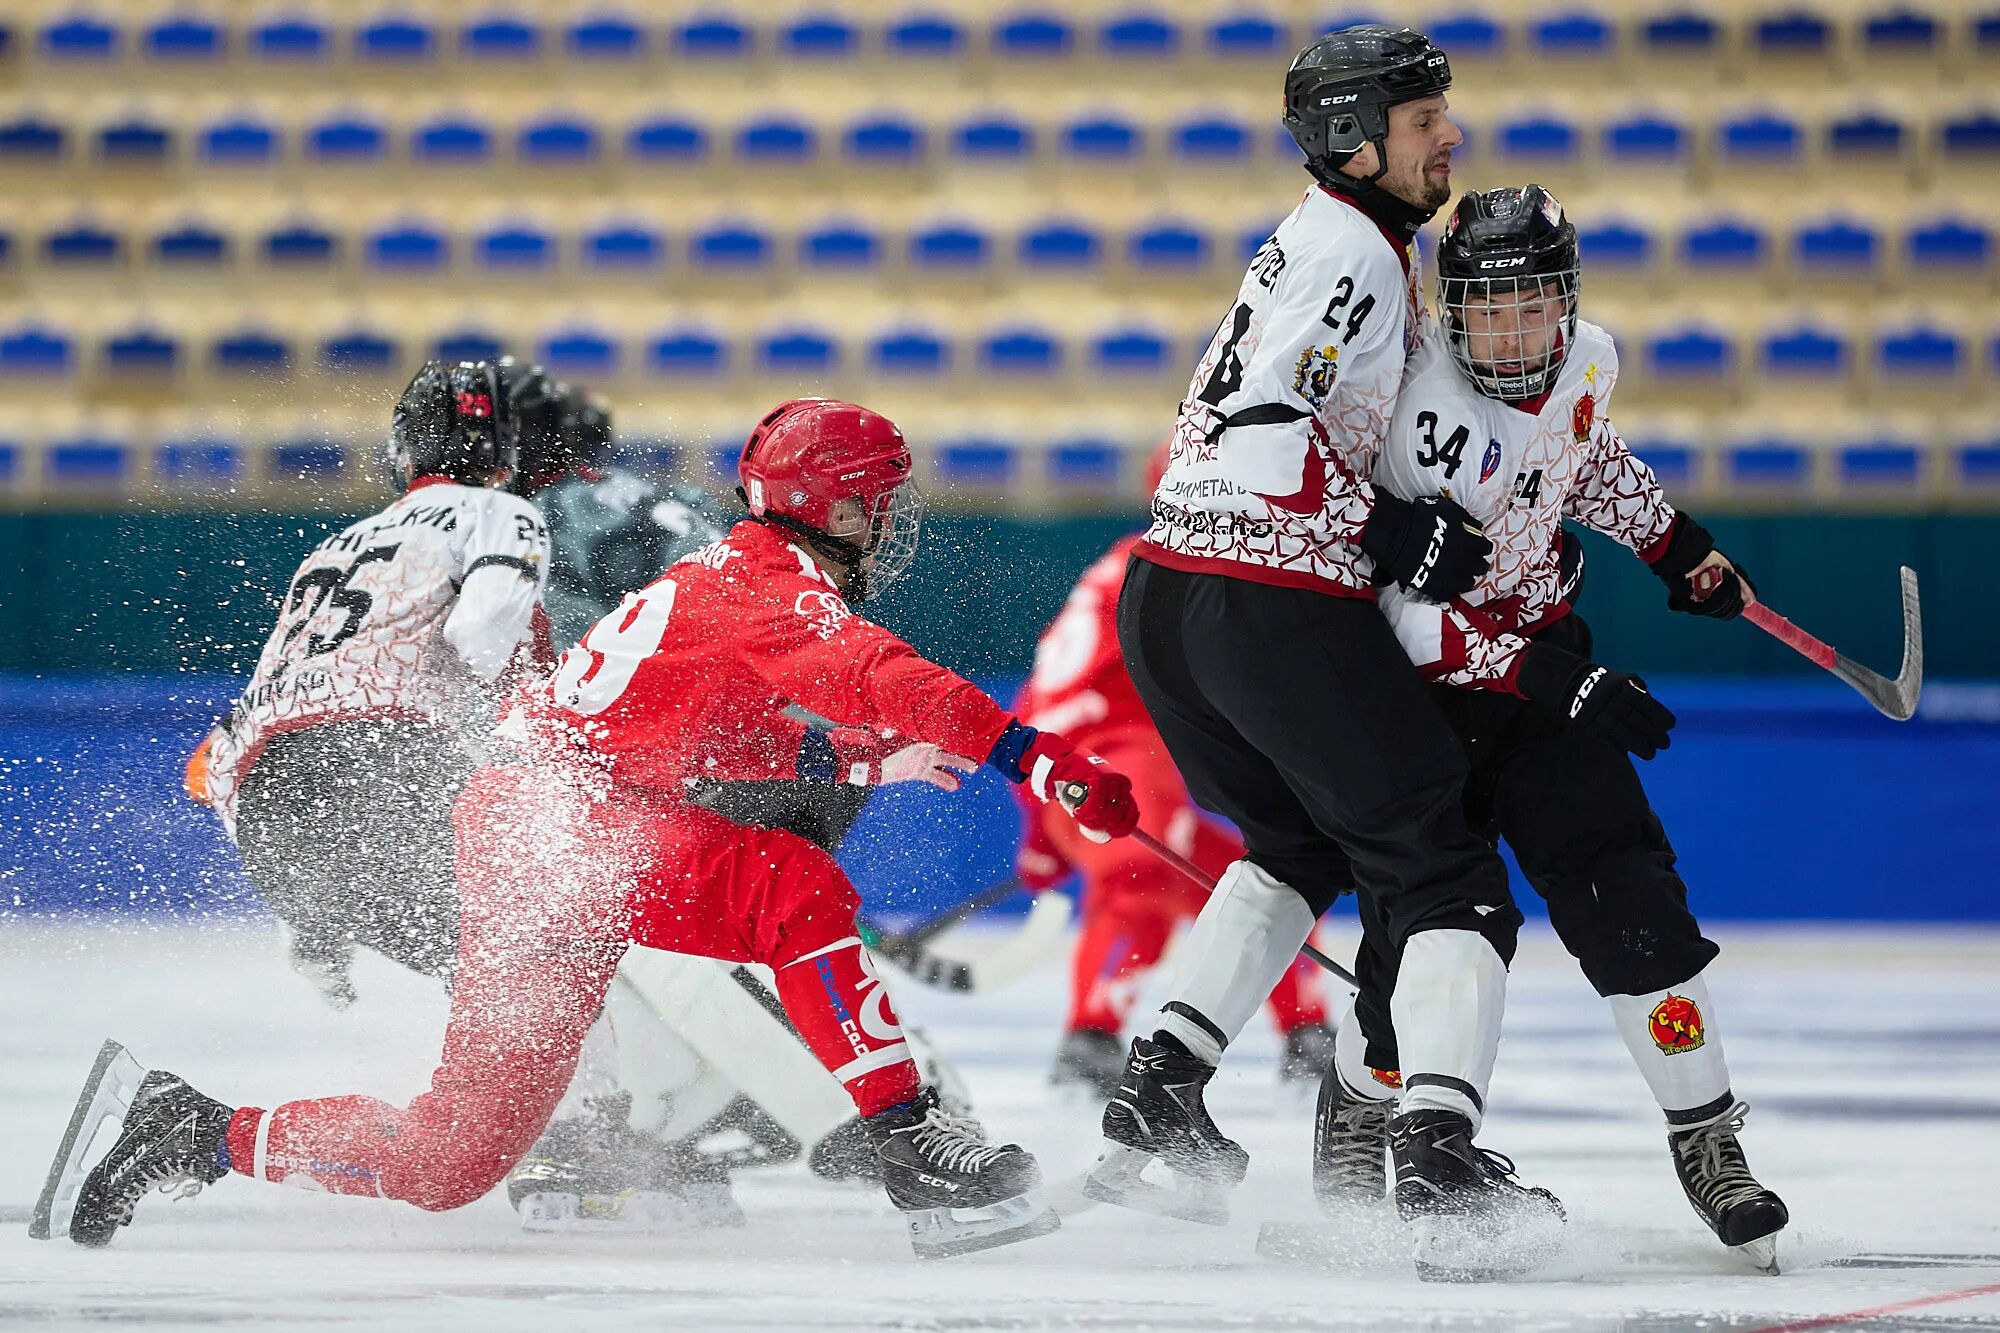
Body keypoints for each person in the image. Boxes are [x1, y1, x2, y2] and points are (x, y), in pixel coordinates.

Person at [53, 397, 1141, 1262]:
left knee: (451, 1159)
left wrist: (865, 756)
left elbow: (708, 742)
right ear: (839, 507)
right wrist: (1038, 759)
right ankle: (905, 1142)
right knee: (792, 888)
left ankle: (196, 1129)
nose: (890, 522)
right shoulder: (765, 585)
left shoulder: (732, 577)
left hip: (534, 834)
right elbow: (877, 672)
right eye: (878, 500)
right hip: (564, 830)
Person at [1097, 22, 1568, 1279]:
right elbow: (1267, 428)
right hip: (1265, 601)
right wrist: (1401, 536)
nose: (1447, 139)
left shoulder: (1324, 238)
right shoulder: (1353, 250)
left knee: (1298, 848)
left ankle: (1161, 1083)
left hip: (1167, 600)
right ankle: (1441, 1161)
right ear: (1355, 138)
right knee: (1447, 875)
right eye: (1424, 124)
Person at [1310, 183, 1789, 1270]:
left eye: (1532, 306)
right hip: (1421, 696)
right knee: (1426, 933)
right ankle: (1357, 1094)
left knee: (1630, 895)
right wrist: (1556, 683)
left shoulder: (1588, 360)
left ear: (1564, 303)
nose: (1512, 331)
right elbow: (1408, 619)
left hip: (1539, 672)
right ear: (1449, 310)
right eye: (1487, 308)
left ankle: (1705, 1136)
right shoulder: (1415, 415)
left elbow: (1583, 457)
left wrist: (1675, 546)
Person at [197, 359, 550, 998]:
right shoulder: (502, 512)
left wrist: (304, 916)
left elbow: (224, 750)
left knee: (492, 977)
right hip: (384, 769)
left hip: (268, 818)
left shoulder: (335, 544)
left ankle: (506, 1092)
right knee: (536, 958)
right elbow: (480, 631)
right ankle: (591, 1098)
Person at [1013, 451, 1333, 1097]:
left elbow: (1035, 706)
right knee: (1148, 874)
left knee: (1269, 881)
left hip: (1070, 759)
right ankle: (1091, 1039)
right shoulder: (1191, 566)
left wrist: (1043, 833)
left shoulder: (1124, 560)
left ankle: (1309, 1033)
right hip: (1115, 752)